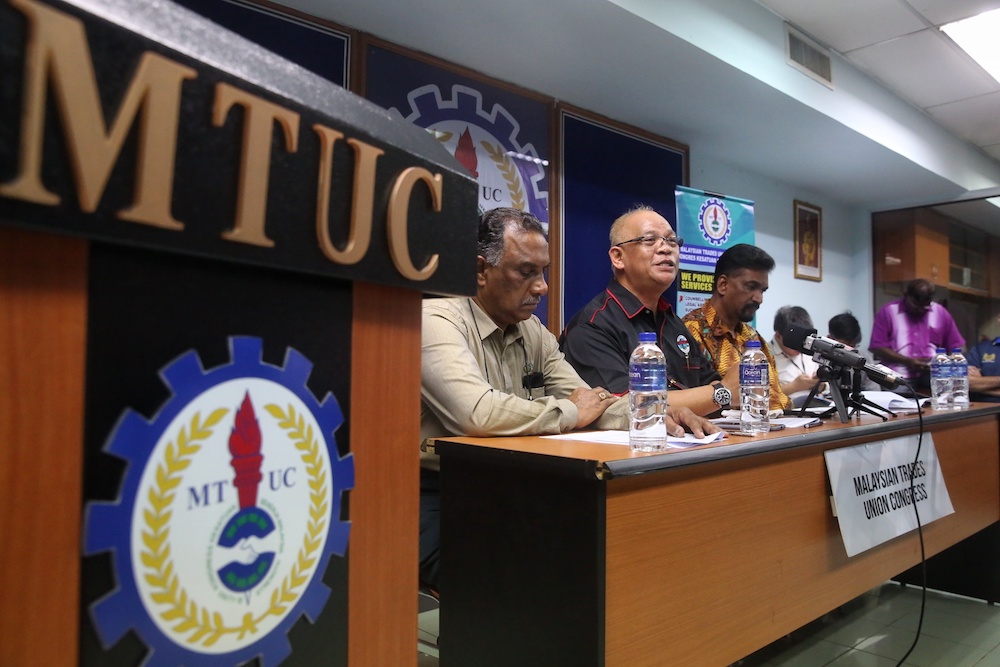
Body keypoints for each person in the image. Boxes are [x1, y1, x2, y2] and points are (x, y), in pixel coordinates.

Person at [419, 207, 718, 594]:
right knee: (511, 576)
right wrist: (572, 411)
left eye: (543, 272)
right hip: (435, 491)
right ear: (480, 270)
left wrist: (656, 414)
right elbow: (477, 413)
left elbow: (597, 402)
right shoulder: (436, 319)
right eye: (526, 272)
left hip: (508, 484)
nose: (542, 287)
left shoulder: (532, 330)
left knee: (603, 549)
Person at [559, 206, 737, 415]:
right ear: (618, 257)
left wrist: (721, 390)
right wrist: (723, 393)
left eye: (672, 241)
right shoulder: (592, 325)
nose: (666, 248)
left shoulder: (672, 321)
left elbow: (710, 383)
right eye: (650, 240)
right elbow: (630, 405)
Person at [681, 243, 790, 411]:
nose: (759, 299)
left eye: (762, 290)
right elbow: (690, 407)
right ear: (723, 285)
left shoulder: (754, 338)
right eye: (751, 287)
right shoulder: (690, 333)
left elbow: (778, 400)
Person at [869, 279, 964, 390]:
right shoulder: (888, 312)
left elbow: (957, 345)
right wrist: (908, 361)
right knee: (898, 400)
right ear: (905, 295)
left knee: (941, 398)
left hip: (932, 376)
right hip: (898, 376)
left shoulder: (940, 313)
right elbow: (877, 347)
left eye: (925, 307)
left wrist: (945, 364)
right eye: (915, 305)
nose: (920, 310)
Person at [769, 306, 823, 406]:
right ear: (778, 336)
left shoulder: (809, 349)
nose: (800, 348)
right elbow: (758, 396)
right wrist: (794, 386)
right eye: (794, 343)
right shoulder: (763, 356)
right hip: (784, 411)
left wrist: (821, 385)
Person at [828, 311, 880, 391]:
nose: (850, 351)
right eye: (846, 346)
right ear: (830, 338)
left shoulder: (864, 358)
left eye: (853, 346)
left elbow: (873, 390)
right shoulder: (819, 357)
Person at [967, 315, 1000, 403]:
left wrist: (982, 385)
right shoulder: (980, 349)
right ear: (999, 319)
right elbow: (967, 383)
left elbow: (975, 385)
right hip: (981, 408)